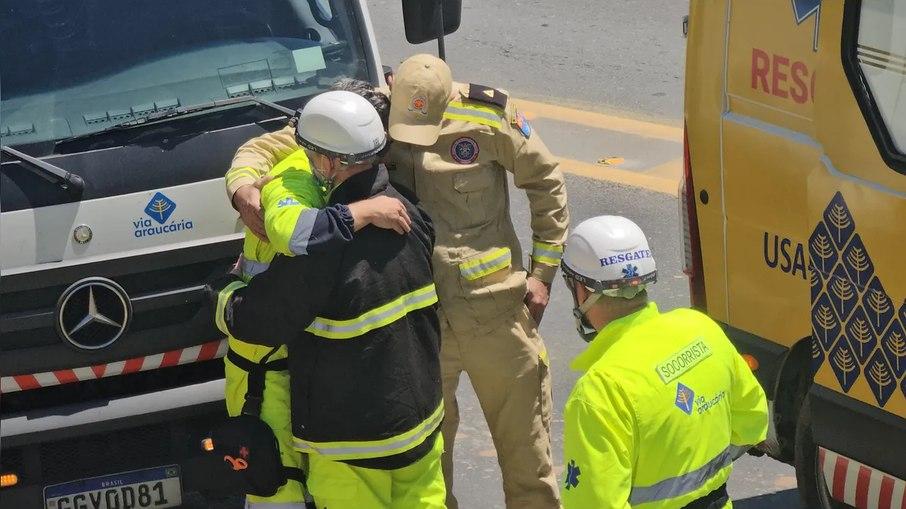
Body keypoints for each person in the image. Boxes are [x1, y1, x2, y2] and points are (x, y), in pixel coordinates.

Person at [223, 54, 569, 509]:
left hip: (495, 316)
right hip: (423, 325)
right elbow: (271, 145)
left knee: (528, 462)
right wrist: (243, 187)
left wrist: (543, 274)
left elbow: (546, 180)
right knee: (430, 461)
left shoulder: (486, 115)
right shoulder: (368, 112)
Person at [212, 90, 446, 508]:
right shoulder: (411, 213)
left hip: (351, 443)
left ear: (328, 162)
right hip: (420, 428)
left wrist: (223, 293)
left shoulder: (323, 252)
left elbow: (259, 321)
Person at [559, 216, 769, 509]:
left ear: (582, 290)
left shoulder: (599, 391)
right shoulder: (701, 328)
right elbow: (753, 420)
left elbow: (593, 503)